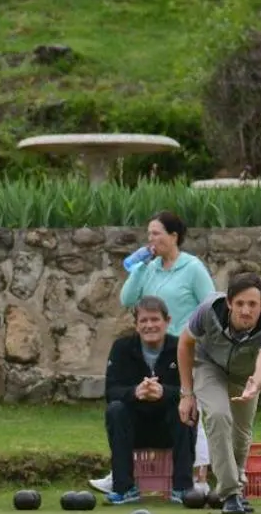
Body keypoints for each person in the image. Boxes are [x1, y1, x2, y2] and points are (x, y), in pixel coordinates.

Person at [90, 211, 216, 496]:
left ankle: (196, 477)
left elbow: (210, 308)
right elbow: (127, 299)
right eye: (149, 234)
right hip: (151, 347)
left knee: (188, 405)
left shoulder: (192, 268)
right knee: (122, 408)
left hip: (185, 347)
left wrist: (196, 341)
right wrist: (139, 267)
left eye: (156, 233)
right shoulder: (149, 267)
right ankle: (120, 477)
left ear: (174, 236)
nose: (151, 239)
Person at [178, 273, 261, 514]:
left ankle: (235, 484)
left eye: (252, 304)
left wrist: (255, 383)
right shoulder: (208, 311)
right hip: (208, 366)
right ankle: (230, 493)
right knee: (218, 415)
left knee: (241, 433)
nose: (246, 311)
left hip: (246, 375)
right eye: (240, 303)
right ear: (229, 303)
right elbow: (184, 344)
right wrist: (187, 394)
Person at [102, 296, 195, 505]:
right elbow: (111, 391)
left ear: (167, 321)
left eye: (155, 319)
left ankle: (183, 488)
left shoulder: (180, 347)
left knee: (186, 407)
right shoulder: (121, 348)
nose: (149, 325)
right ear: (136, 325)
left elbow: (191, 390)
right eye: (143, 320)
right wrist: (136, 392)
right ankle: (124, 488)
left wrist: (164, 392)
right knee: (115, 409)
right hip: (134, 429)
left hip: (169, 428)